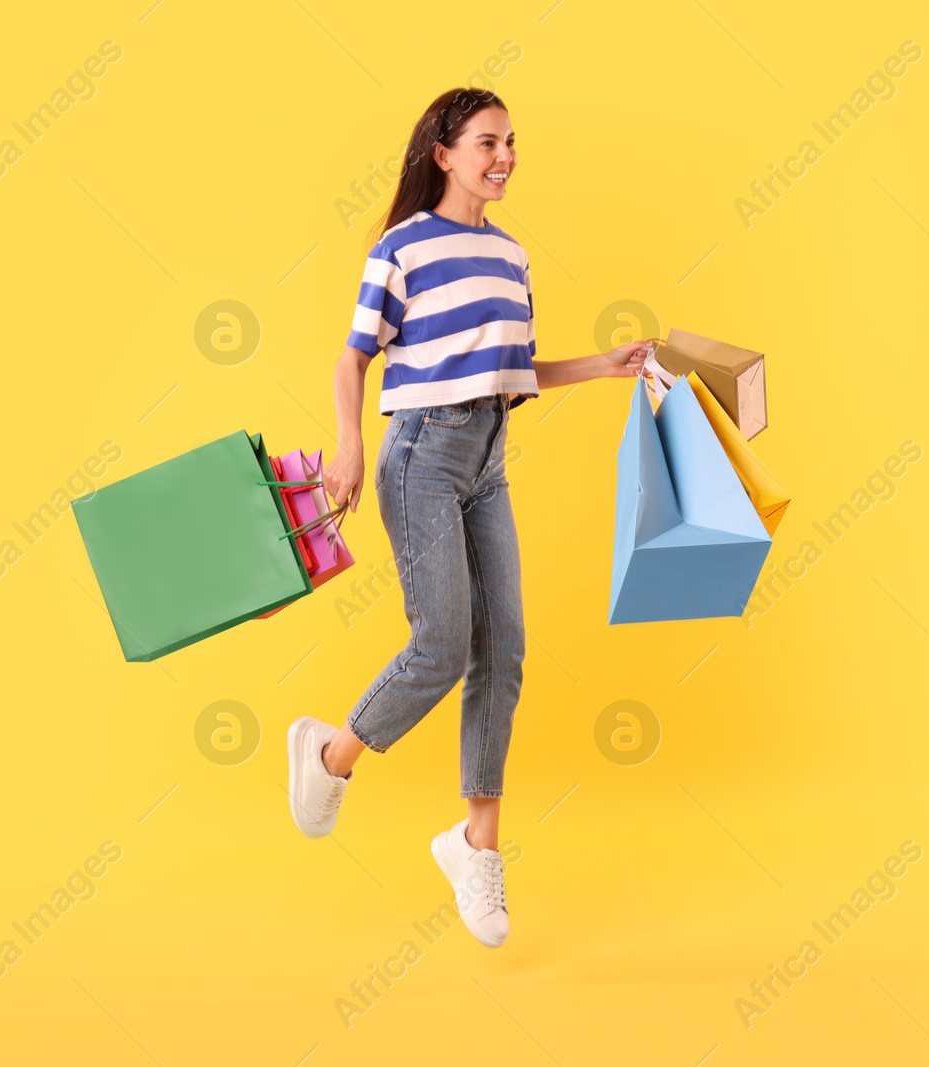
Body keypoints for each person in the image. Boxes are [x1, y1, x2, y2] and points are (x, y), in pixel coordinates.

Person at [285, 87, 657, 948]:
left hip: (488, 456)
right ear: (443, 153)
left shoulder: (514, 256)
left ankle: (475, 844)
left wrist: (605, 364)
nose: (505, 157)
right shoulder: (402, 248)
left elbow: (510, 368)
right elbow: (352, 357)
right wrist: (346, 444)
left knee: (506, 647)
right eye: (488, 141)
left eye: (513, 142)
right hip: (419, 455)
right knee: (443, 642)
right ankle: (332, 752)